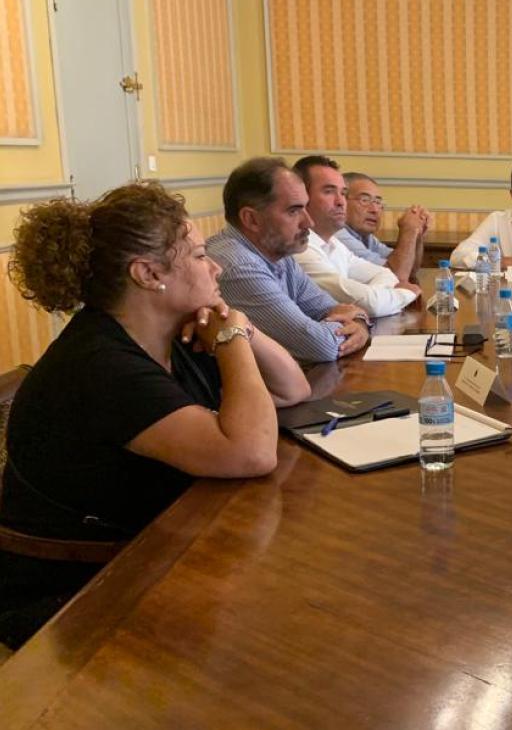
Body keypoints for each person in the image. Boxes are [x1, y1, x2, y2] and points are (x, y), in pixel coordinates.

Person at [1, 182, 310, 648]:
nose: (217, 266)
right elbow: (250, 452)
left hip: (152, 551)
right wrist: (232, 342)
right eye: (201, 255)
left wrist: (238, 326)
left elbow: (292, 388)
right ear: (148, 273)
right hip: (79, 593)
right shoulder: (100, 363)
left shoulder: (170, 333)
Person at [207, 157, 371, 362]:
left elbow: (328, 307)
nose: (308, 222)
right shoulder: (239, 267)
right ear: (252, 219)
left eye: (305, 207)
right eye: (294, 211)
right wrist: (351, 325)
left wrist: (359, 321)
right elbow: (321, 346)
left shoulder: (278, 252)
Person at [290, 156, 421, 318]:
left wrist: (375, 294)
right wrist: (406, 294)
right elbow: (371, 304)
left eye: (343, 193)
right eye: (329, 191)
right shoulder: (300, 249)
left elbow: (386, 275)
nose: (340, 202)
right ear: (302, 198)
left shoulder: (333, 243)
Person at [336, 171, 430, 283]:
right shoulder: (338, 234)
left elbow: (410, 269)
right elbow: (396, 276)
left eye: (378, 202)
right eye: (364, 200)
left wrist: (417, 235)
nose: (375, 210)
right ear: (342, 202)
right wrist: (408, 231)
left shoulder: (365, 237)